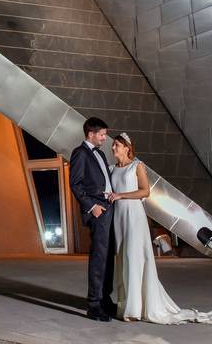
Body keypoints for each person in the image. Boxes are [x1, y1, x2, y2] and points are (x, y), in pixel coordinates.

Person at [106, 132, 212, 325]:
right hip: (119, 218)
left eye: (117, 144)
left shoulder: (137, 166)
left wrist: (120, 195)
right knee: (123, 259)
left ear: (127, 148)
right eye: (113, 144)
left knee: (135, 258)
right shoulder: (111, 169)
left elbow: (145, 191)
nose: (113, 147)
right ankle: (126, 304)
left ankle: (135, 309)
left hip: (134, 217)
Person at [68, 117, 116, 321]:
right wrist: (92, 207)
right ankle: (94, 305)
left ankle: (105, 299)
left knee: (108, 257)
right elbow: (75, 184)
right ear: (91, 134)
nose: (105, 138)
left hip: (109, 208)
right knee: (98, 257)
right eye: (102, 134)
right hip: (98, 210)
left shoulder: (101, 154)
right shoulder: (80, 154)